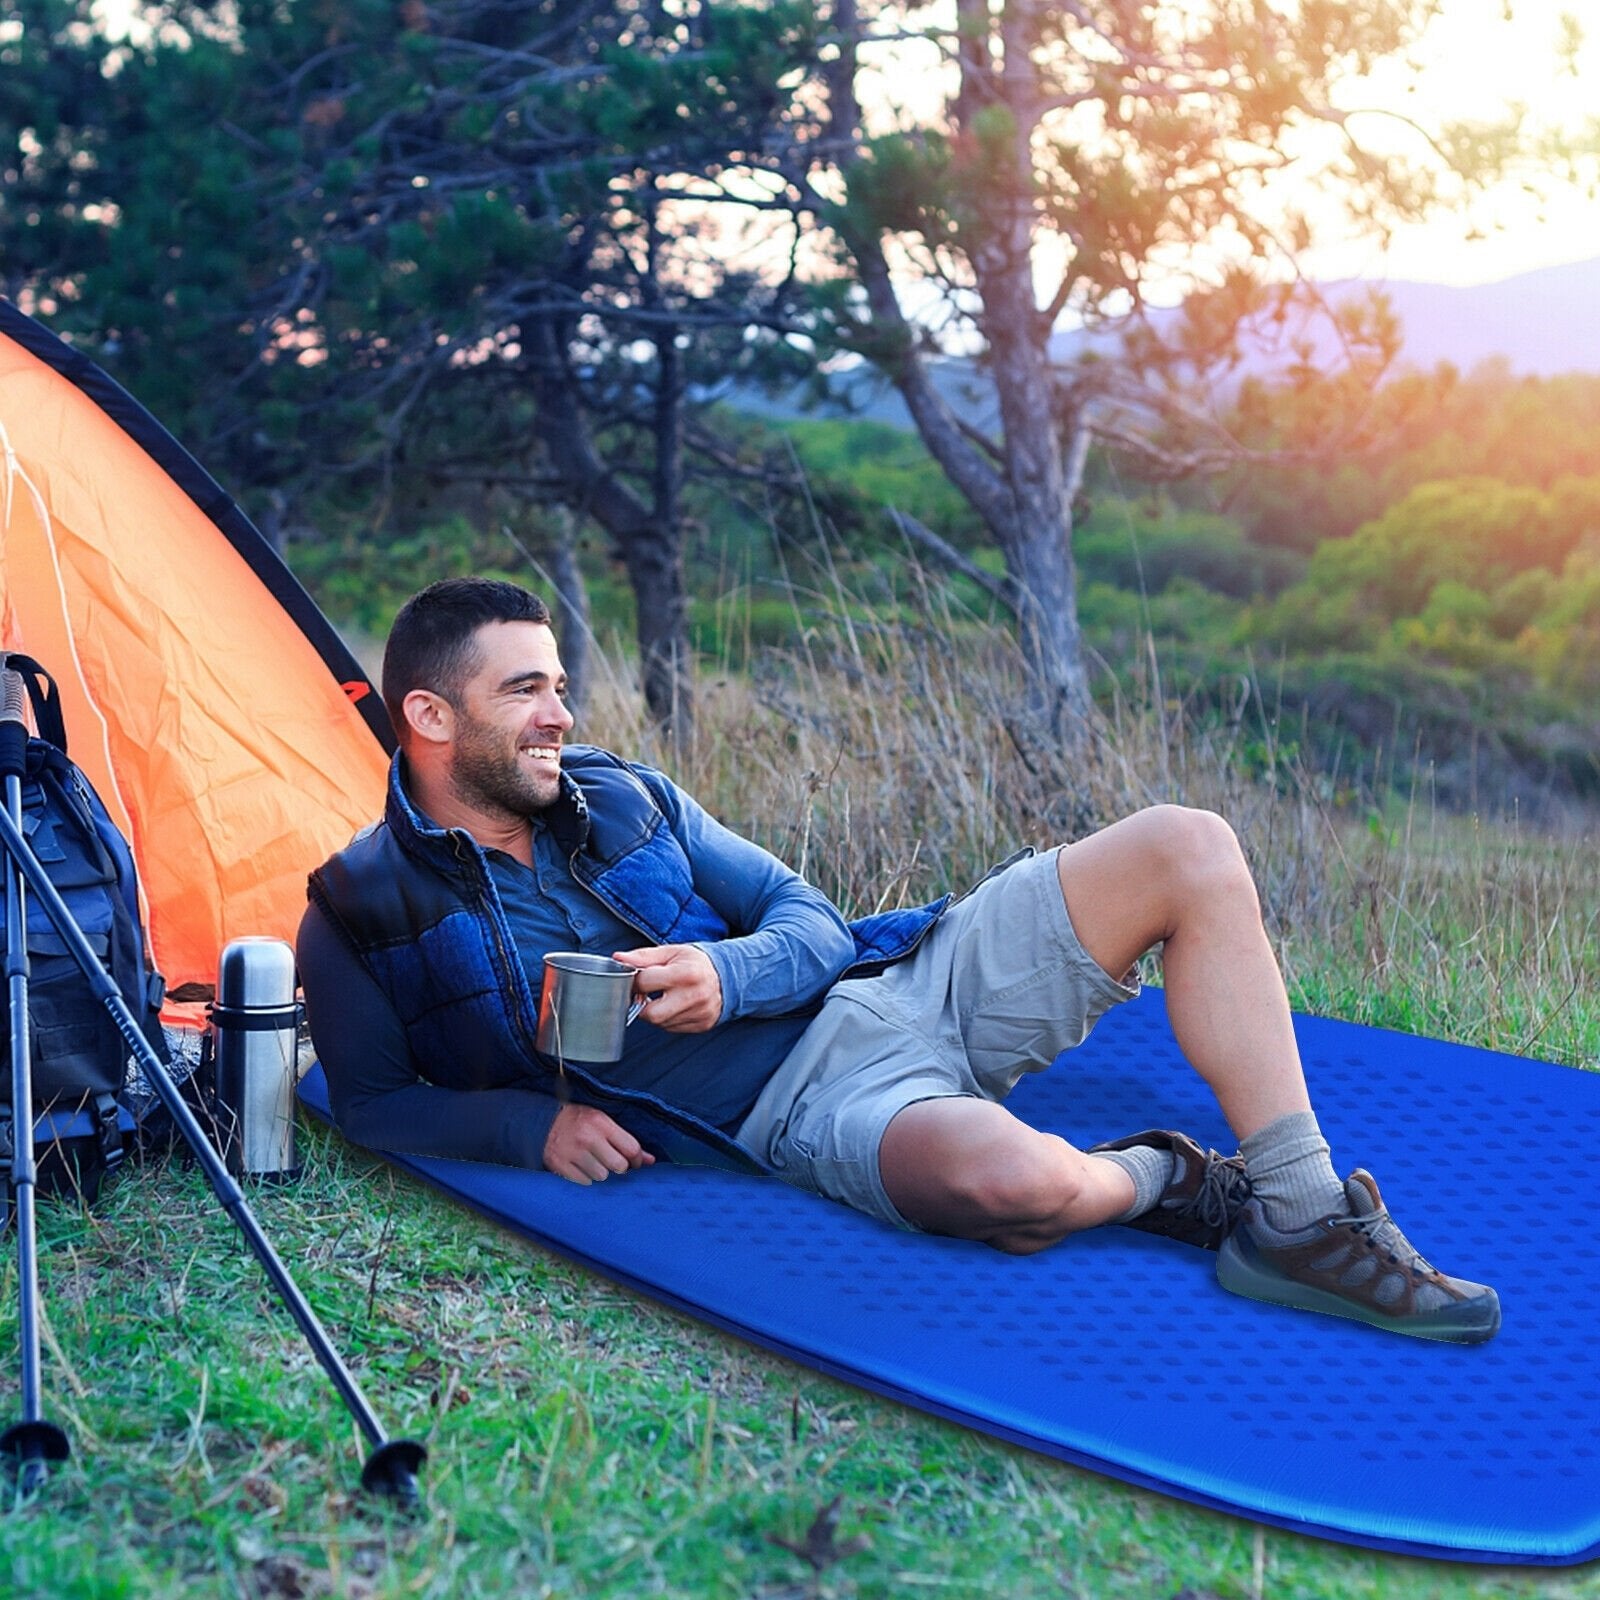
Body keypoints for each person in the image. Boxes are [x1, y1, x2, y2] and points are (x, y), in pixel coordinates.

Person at [298, 578, 1500, 1345]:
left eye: (561, 685)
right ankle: (1169, 1179)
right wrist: (529, 1131)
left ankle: (1295, 1211)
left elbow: (808, 918)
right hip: (813, 1100)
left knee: (1186, 846)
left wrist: (736, 975)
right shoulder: (360, 904)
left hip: (901, 977)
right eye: (526, 691)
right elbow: (369, 1099)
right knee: (1013, 1185)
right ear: (432, 718)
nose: (562, 714)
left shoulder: (623, 794)